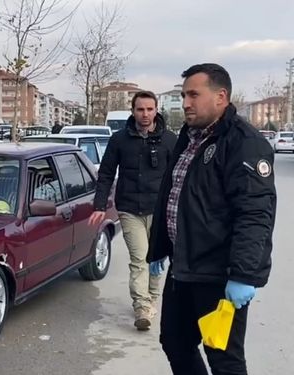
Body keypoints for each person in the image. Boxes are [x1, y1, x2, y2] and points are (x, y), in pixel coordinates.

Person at [147, 63, 276, 375]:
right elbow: (176, 195)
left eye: (194, 94)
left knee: (223, 358)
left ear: (221, 96)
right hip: (183, 267)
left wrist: (244, 274)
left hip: (218, 275)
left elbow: (255, 212)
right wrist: (158, 248)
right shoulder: (189, 138)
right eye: (183, 95)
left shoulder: (244, 142)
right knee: (175, 342)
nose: (186, 102)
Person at [89, 90, 177, 331]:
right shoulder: (119, 140)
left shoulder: (170, 140)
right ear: (133, 111)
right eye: (140, 109)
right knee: (140, 259)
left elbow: (180, 177)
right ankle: (141, 307)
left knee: (156, 258)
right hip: (129, 209)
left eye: (150, 109)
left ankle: (151, 299)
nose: (145, 114)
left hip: (159, 211)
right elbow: (106, 173)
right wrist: (99, 206)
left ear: (156, 110)